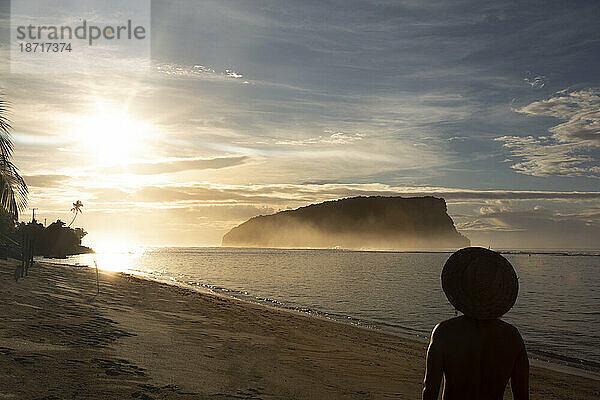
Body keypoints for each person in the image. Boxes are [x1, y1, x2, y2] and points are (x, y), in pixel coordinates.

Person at [423, 247, 529, 400]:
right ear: (498, 291)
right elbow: (522, 395)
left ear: (462, 290)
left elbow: (430, 390)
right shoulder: (512, 337)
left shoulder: (444, 333)